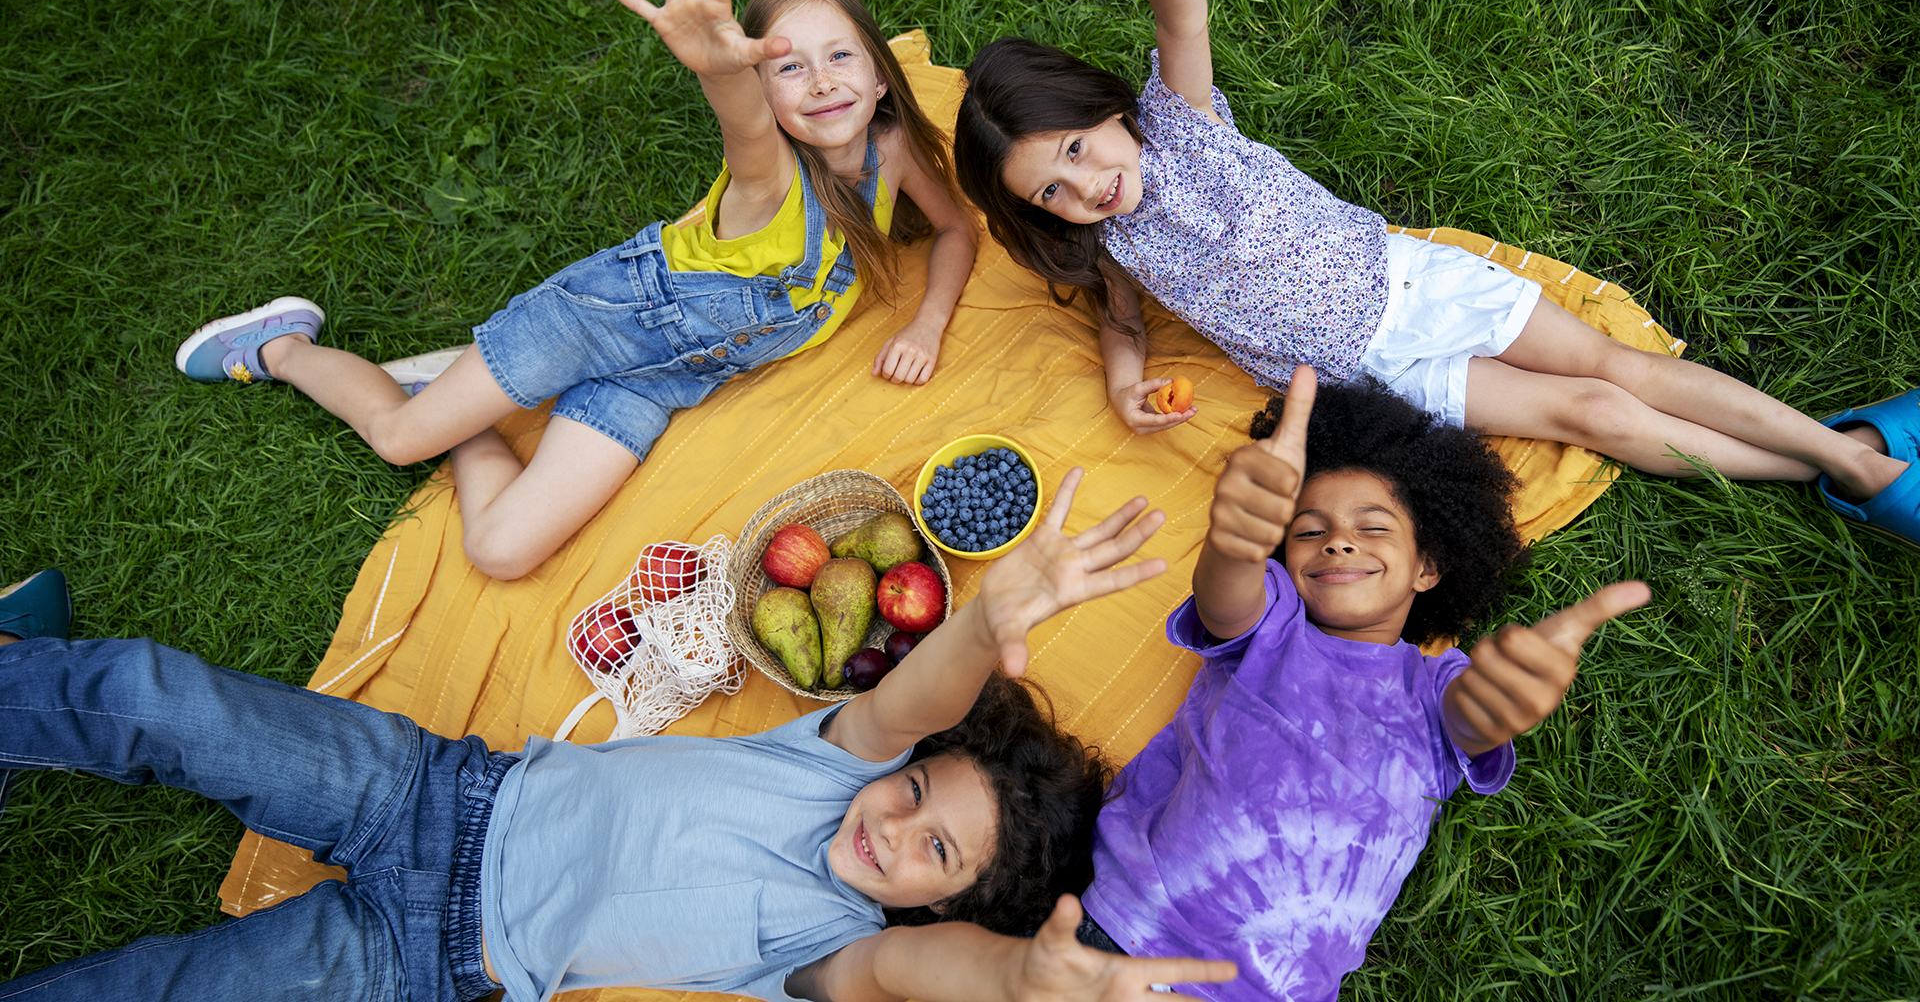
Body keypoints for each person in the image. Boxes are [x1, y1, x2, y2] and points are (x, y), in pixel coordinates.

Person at [0, 474, 1239, 1002]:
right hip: (436, 793)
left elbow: (927, 978)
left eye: (937, 855)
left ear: (947, 905)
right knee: (162, 700)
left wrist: (1019, 983)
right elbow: (914, 704)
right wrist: (987, 619)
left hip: (425, 960)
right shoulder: (829, 766)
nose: (896, 827)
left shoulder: (833, 952)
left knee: (153, 993)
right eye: (921, 795)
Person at [949, 0, 1920, 548]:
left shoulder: (1182, 124)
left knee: (1618, 366)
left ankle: (1854, 463)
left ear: (1104, 108)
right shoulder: (1114, 253)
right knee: (1595, 415)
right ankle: (1835, 463)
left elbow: (1181, 5)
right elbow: (1120, 324)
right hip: (1384, 376)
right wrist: (1125, 386)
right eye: (1054, 190)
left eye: (1076, 146)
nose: (1086, 184)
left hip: (1416, 286)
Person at [175, 0, 979, 580]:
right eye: (786, 68)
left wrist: (927, 324)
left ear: (879, 76)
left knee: (500, 552)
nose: (820, 83)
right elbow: (743, 126)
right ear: (764, 94)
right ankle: (282, 345)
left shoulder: (892, 147)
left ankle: (455, 390)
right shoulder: (769, 182)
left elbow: (954, 229)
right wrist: (721, 74)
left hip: (665, 378)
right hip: (592, 322)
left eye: (840, 57)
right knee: (397, 440)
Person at [880, 368, 1649, 1001]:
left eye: (1373, 528)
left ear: (1429, 567)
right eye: (1309, 529)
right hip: (1118, 936)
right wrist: (1237, 536)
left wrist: (1500, 701)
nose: (1338, 538)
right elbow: (1227, 592)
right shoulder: (1275, 622)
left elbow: (1471, 721)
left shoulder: (1435, 689)